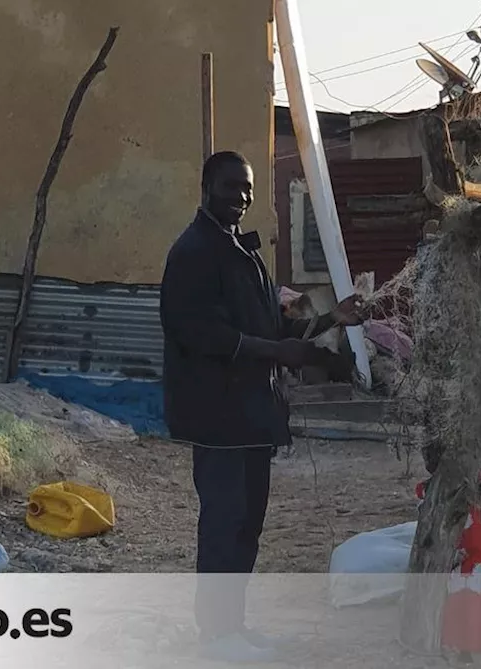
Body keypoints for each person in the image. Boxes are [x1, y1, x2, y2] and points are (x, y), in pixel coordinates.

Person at [160, 151, 366, 662]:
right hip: (218, 417)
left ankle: (234, 627)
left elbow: (273, 331)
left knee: (247, 526)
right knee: (224, 525)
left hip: (253, 415)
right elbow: (198, 332)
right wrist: (278, 351)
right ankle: (216, 635)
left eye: (248, 189)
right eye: (232, 187)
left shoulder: (239, 251)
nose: (242, 197)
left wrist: (331, 320)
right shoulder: (194, 252)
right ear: (207, 186)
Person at [415, 471, 481, 661]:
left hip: (472, 564)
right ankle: (457, 646)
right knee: (461, 604)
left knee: (465, 604)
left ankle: (463, 648)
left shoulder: (474, 517)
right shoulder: (460, 513)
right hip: (464, 563)